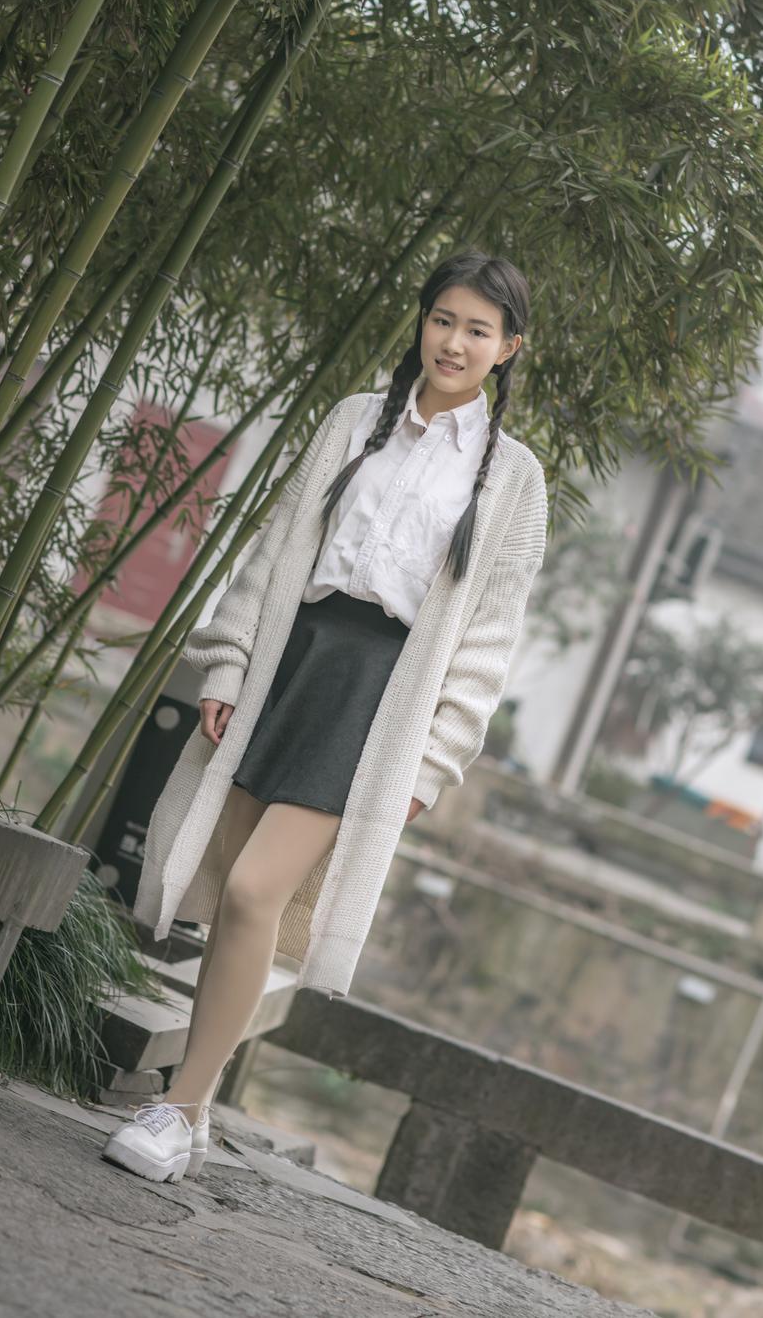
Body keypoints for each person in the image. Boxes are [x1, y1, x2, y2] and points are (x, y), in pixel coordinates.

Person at [102, 249, 549, 1184]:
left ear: (508, 348)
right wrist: (230, 661)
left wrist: (433, 761)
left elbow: (488, 641)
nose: (453, 342)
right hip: (288, 658)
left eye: (477, 330)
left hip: (377, 696)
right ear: (420, 321)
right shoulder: (353, 420)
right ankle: (193, 1111)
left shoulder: (514, 481)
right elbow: (273, 551)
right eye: (442, 319)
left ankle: (178, 1108)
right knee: (233, 899)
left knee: (255, 892)